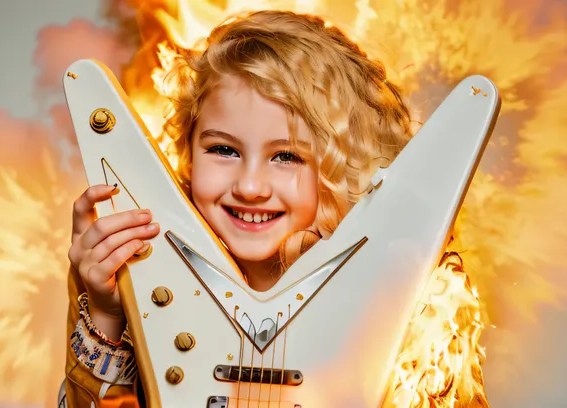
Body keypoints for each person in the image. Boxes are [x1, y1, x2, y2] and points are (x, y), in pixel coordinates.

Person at [61, 9, 413, 407]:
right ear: (189, 158)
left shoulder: (402, 296)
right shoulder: (128, 275)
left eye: (286, 157)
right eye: (224, 150)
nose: (249, 187)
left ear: (341, 168)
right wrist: (107, 316)